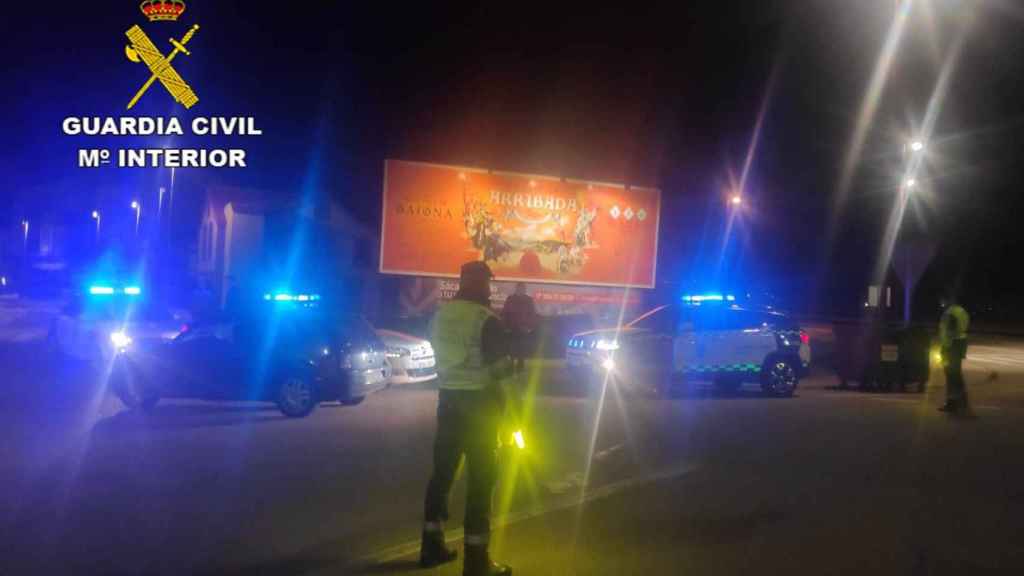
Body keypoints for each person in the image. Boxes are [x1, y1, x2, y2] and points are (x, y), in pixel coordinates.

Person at [421, 261, 512, 576]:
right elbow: (499, 369)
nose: (489, 288)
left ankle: (430, 547)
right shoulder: (485, 320)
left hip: (447, 402)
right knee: (481, 480)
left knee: (442, 473)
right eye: (488, 283)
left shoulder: (440, 316)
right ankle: (476, 561)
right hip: (479, 406)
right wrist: (513, 366)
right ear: (482, 283)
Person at [938, 292, 970, 415]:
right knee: (956, 375)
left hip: (951, 346)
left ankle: (952, 403)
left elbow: (950, 330)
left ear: (949, 300)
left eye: (943, 300)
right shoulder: (962, 311)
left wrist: (945, 349)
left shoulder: (950, 313)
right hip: (960, 344)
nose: (942, 303)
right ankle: (962, 401)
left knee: (951, 376)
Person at [502, 283, 538, 375]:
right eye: (519, 288)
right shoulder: (510, 299)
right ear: (516, 289)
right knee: (511, 348)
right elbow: (505, 313)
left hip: (523, 328)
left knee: (522, 348)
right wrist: (505, 326)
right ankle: (510, 365)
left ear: (524, 290)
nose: (520, 290)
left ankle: (520, 366)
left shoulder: (528, 300)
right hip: (511, 328)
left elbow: (532, 314)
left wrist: (530, 327)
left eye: (522, 289)